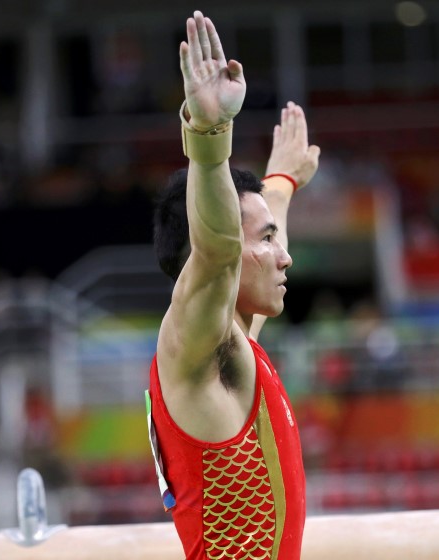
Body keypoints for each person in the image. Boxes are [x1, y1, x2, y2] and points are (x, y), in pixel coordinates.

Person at [145, 11, 320, 560]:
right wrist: (208, 133)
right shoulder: (192, 346)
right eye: (267, 242)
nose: (285, 257)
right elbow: (222, 249)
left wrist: (282, 183)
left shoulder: (235, 347)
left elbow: (242, 242)